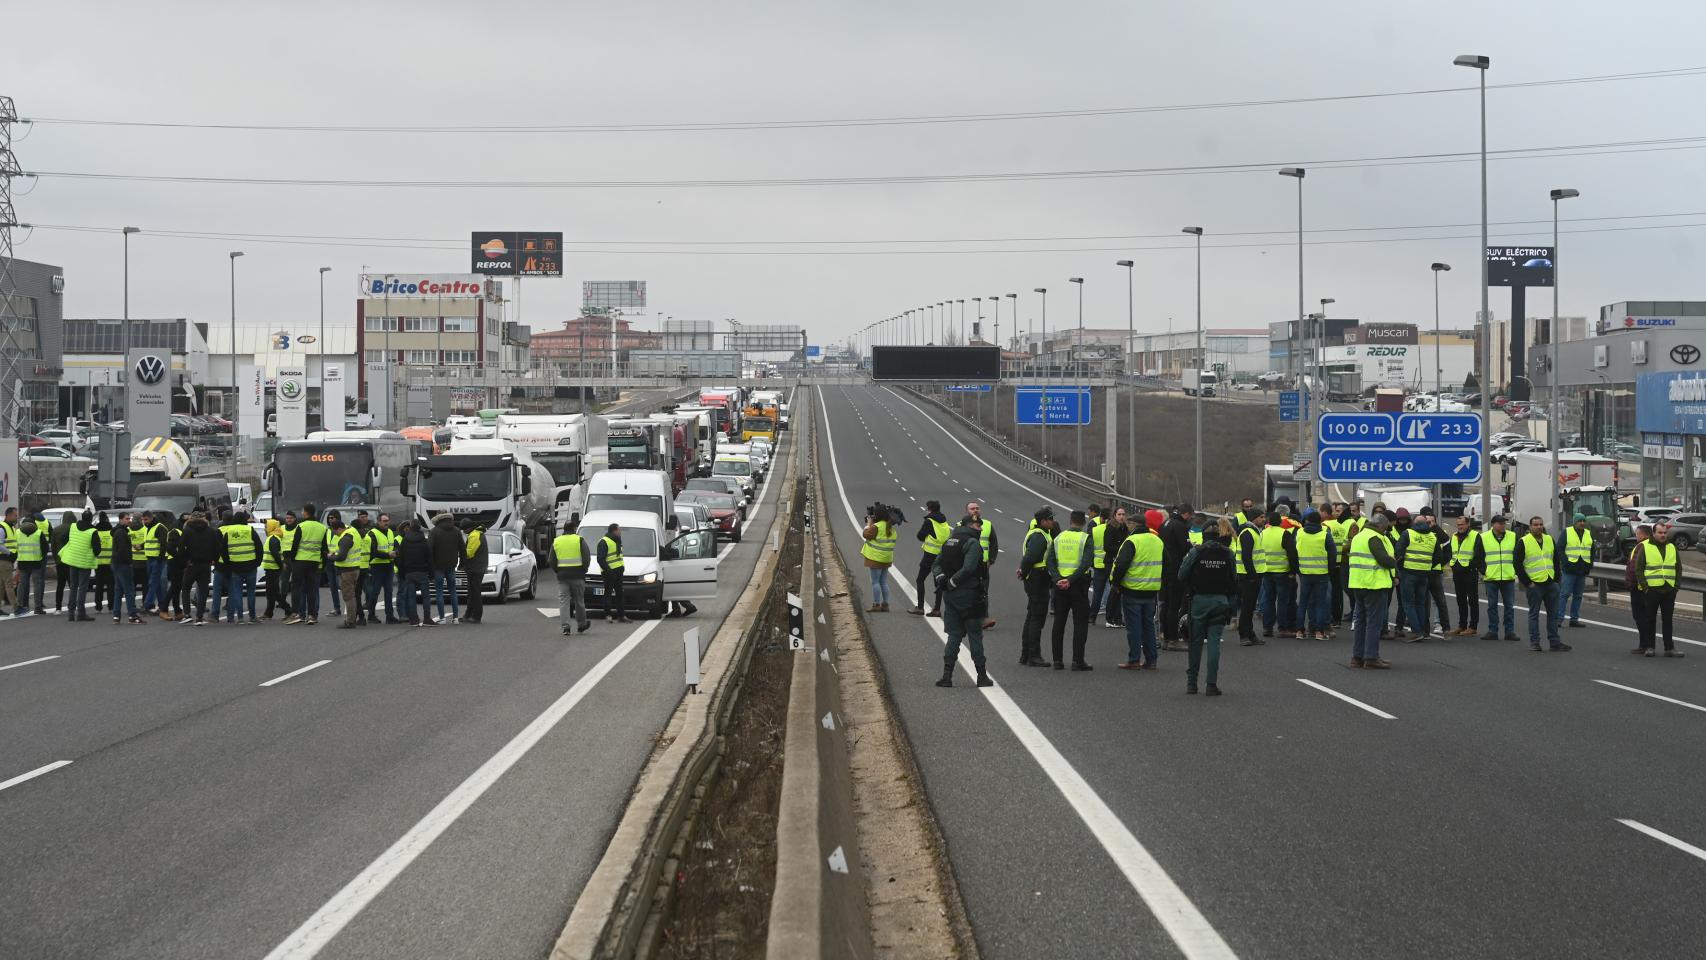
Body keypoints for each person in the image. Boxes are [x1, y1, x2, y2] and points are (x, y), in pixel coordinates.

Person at [933, 516, 993, 689]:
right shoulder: (972, 543)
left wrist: (942, 579)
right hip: (968, 595)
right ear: (969, 526)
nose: (980, 528)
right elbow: (969, 568)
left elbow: (936, 564)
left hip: (949, 596)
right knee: (974, 634)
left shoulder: (950, 541)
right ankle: (981, 676)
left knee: (954, 635)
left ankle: (947, 676)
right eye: (977, 525)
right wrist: (953, 582)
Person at [1180, 518, 1237, 695]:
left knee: (1195, 642)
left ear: (1203, 535)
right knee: (1214, 643)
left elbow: (1182, 575)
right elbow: (1234, 579)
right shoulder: (1228, 553)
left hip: (1199, 601)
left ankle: (1192, 683)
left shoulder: (1196, 552)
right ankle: (1211, 684)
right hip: (1220, 601)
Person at [1109, 512, 1162, 670]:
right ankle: (1151, 660)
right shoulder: (1157, 540)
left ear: (1133, 525)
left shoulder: (1131, 541)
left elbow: (1121, 564)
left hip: (1133, 590)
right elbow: (1167, 562)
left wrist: (1115, 583)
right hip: (1151, 590)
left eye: (1128, 523)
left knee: (1134, 628)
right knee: (1149, 626)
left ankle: (1134, 660)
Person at [1347, 512, 1397, 669]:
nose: (1385, 531)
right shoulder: (1374, 538)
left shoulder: (1359, 537)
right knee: (1373, 623)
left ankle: (1357, 657)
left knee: (1360, 621)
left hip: (1358, 583)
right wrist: (1393, 561)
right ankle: (1371, 657)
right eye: (1385, 528)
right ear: (1381, 526)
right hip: (1373, 584)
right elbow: (1383, 559)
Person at [1046, 510, 1094, 671]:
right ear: (1084, 522)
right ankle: (1077, 661)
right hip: (1078, 585)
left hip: (1060, 586)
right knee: (1080, 624)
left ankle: (1057, 661)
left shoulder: (1059, 537)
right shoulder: (1085, 538)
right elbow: (1086, 563)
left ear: (1070, 521)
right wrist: (1071, 580)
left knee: (1059, 622)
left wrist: (1058, 578)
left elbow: (1050, 561)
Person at [1513, 515, 1569, 653]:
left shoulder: (1549, 539)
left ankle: (1554, 642)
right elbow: (1517, 564)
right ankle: (1535, 642)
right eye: (1535, 525)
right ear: (1530, 527)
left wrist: (1557, 580)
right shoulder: (1524, 542)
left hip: (1550, 583)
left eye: (1540, 524)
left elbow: (1556, 560)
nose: (1538, 527)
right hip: (1535, 584)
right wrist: (1528, 583)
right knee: (1534, 614)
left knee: (1553, 614)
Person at [1630, 524, 1684, 657]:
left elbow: (1678, 568)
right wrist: (1645, 587)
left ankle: (1669, 648)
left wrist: (1675, 587)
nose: (1663, 535)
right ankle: (1650, 647)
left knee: (1668, 620)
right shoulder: (1646, 547)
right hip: (1652, 589)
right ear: (1653, 534)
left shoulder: (1672, 547)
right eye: (1660, 533)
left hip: (1668, 589)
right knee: (1650, 619)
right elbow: (1639, 568)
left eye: (1665, 533)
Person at [1016, 509, 1055, 667]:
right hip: (1038, 578)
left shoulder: (1041, 533)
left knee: (1032, 616)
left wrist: (1024, 572)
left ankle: (1026, 655)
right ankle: (1034, 655)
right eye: (1050, 519)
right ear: (1043, 521)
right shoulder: (1039, 536)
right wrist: (1023, 572)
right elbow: (1031, 557)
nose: (1052, 521)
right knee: (1037, 618)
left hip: (1035, 577)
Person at [1397, 511, 1443, 641]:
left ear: (1414, 523)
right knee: (1420, 603)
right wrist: (1428, 564)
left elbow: (1398, 552)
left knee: (1408, 603)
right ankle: (1421, 630)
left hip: (1409, 572)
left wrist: (1401, 567)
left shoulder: (1408, 533)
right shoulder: (1433, 537)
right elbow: (1438, 556)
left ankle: (1416, 631)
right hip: (1424, 574)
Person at [1293, 510, 1337, 641]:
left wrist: (1298, 569)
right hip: (1321, 574)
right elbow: (1332, 554)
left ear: (1306, 521)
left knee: (1303, 603)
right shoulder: (1325, 534)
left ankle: (1300, 631)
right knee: (1320, 603)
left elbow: (1294, 551)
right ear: (1320, 521)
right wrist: (1330, 569)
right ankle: (1319, 632)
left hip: (1305, 573)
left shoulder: (1299, 533)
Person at [1159, 503, 1195, 652]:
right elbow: (1185, 548)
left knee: (1165, 604)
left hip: (1165, 568)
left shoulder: (1166, 523)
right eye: (1190, 516)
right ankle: (1173, 639)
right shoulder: (1180, 526)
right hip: (1175, 569)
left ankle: (1166, 637)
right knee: (1174, 606)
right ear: (1186, 514)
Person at [1477, 515, 1519, 642]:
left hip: (1508, 577)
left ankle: (1509, 631)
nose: (1503, 526)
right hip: (1491, 577)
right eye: (1500, 523)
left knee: (1509, 606)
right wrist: (1485, 571)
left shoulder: (1512, 536)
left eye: (1504, 523)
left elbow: (1518, 555)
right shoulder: (1484, 537)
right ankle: (1492, 630)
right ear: (1493, 525)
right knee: (1492, 606)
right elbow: (1478, 557)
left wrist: (1515, 570)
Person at [1258, 510, 1298, 639]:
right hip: (1282, 572)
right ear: (1280, 522)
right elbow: (1292, 554)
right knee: (1283, 601)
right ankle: (1283, 628)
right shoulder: (1284, 534)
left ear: (1268, 522)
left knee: (1268, 600)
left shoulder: (1262, 533)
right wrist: (1293, 571)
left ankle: (1267, 628)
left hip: (1266, 571)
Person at [216, 511, 261, 624]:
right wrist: (257, 562)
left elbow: (223, 550)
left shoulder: (229, 531)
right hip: (251, 566)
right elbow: (259, 547)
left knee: (237, 592)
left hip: (235, 567)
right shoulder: (250, 530)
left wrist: (228, 563)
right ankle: (252, 616)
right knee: (251, 592)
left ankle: (240, 617)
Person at [176, 512, 220, 625]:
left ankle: (187, 614)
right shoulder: (210, 531)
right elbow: (216, 548)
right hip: (206, 565)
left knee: (186, 589)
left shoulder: (187, 530)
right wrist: (213, 560)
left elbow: (180, 548)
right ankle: (199, 617)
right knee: (203, 591)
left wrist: (185, 560)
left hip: (192, 564)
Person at [908, 500, 950, 617]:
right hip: (942, 555)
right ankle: (936, 609)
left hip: (930, 555)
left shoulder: (929, 521)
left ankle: (920, 607)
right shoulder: (945, 522)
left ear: (929, 509)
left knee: (920, 579)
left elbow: (920, 536)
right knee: (938, 582)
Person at [553, 517, 592, 635]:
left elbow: (551, 560)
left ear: (564, 530)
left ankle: (566, 627)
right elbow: (586, 557)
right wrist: (583, 570)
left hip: (563, 577)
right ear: (574, 529)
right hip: (577, 576)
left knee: (563, 601)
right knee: (579, 601)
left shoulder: (557, 541)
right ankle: (581, 625)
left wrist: (558, 571)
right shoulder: (579, 540)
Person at [292, 505, 328, 625]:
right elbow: (324, 548)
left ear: (305, 513)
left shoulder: (301, 526)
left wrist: (292, 560)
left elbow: (295, 545)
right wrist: (323, 564)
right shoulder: (322, 528)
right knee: (311, 589)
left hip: (300, 561)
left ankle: (296, 613)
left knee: (296, 587)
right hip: (314, 561)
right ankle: (312, 616)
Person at [1234, 511, 1267, 646]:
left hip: (1254, 574)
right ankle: (1244, 635)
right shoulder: (1248, 533)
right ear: (1254, 518)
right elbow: (1246, 557)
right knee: (1247, 607)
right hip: (1248, 576)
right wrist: (1252, 575)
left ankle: (1250, 633)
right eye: (1261, 517)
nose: (1264, 519)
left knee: (1250, 607)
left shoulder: (1254, 531)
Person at [328, 512, 366, 629]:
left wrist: (331, 557)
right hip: (355, 568)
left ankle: (350, 621)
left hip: (347, 570)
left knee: (348, 597)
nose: (335, 534)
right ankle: (352, 619)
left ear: (339, 529)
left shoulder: (345, 538)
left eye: (335, 532)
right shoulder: (353, 531)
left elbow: (342, 556)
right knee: (352, 595)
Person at [966, 500, 999, 630]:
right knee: (968, 592)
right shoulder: (961, 524)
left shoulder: (988, 525)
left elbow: (994, 544)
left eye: (977, 508)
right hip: (967, 566)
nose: (975, 510)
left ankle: (983, 618)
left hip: (983, 566)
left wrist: (991, 561)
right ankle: (967, 617)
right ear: (967, 512)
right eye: (972, 508)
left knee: (983, 593)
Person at [397, 519, 436, 626]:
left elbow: (400, 559)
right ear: (419, 527)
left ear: (410, 527)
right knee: (426, 597)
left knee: (411, 597)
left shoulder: (405, 540)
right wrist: (432, 574)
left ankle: (413, 619)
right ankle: (427, 619)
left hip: (409, 572)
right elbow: (429, 559)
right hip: (422, 572)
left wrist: (402, 574)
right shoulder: (424, 540)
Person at [1097, 507, 1130, 628]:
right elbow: (1107, 547)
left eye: (1123, 514)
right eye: (1119, 514)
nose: (1122, 516)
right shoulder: (1110, 528)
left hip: (1120, 562)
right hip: (1111, 562)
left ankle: (1118, 618)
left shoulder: (1125, 528)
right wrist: (1122, 550)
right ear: (1115, 516)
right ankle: (1111, 618)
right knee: (1115, 590)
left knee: (1119, 591)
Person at [860, 504, 897, 613]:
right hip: (886, 558)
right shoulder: (890, 527)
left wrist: (868, 524)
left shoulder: (876, 527)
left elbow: (866, 534)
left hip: (875, 558)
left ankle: (876, 604)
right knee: (883, 582)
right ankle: (885, 604)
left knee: (875, 582)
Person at [1449, 516, 1482, 636]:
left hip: (1470, 572)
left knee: (1472, 600)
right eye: (1458, 525)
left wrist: (1469, 566)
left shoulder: (1475, 536)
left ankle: (1473, 626)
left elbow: (1479, 555)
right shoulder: (1454, 536)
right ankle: (1462, 625)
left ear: (1468, 524)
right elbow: (1451, 553)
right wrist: (1453, 566)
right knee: (1460, 600)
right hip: (1457, 573)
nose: (1460, 527)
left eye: (1462, 524)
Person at [1560, 513, 1594, 628]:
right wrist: (1566, 563)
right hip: (1569, 569)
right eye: (1580, 521)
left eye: (1584, 521)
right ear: (1575, 522)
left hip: (1582, 570)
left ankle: (1574, 619)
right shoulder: (1567, 532)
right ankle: (1559, 619)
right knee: (1564, 594)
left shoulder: (1588, 533)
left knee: (1578, 596)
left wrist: (1589, 564)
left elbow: (1592, 550)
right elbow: (1560, 549)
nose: (1582, 523)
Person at [366, 513, 401, 624]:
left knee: (389, 592)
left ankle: (389, 616)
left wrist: (395, 552)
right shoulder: (372, 533)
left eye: (387, 520)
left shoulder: (390, 532)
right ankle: (371, 615)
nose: (386, 523)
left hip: (388, 565)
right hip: (377, 566)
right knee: (375, 592)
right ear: (378, 521)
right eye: (384, 521)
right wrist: (388, 555)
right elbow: (373, 551)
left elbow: (393, 546)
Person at [429, 513, 463, 623]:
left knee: (439, 591)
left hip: (438, 566)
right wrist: (461, 563)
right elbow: (463, 548)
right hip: (452, 565)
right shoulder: (456, 531)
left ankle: (442, 618)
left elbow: (429, 549)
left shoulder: (434, 531)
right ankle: (456, 618)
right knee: (453, 591)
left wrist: (431, 565)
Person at [107, 511, 141, 624]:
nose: (129, 520)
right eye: (127, 519)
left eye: (129, 518)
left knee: (118, 590)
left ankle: (116, 616)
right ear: (120, 519)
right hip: (123, 564)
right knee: (129, 590)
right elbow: (122, 550)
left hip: (116, 563)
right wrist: (129, 562)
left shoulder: (118, 531)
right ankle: (132, 615)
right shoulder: (121, 532)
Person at [597, 522, 631, 623]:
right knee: (608, 594)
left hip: (619, 572)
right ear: (614, 531)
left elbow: (618, 556)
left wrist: (622, 567)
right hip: (609, 573)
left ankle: (621, 616)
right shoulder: (603, 542)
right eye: (619, 530)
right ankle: (608, 615)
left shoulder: (618, 540)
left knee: (620, 594)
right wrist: (609, 571)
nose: (620, 532)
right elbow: (600, 559)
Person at [13, 515, 47, 616]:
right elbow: (45, 548)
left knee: (21, 585)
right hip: (36, 562)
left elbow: (15, 546)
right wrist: (40, 555)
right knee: (37, 585)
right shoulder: (38, 532)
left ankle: (20, 605)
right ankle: (38, 607)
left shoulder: (17, 532)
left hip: (22, 562)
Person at [1626, 524, 1653, 646]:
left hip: (1639, 586)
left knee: (1639, 616)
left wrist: (1631, 583)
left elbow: (1634, 568)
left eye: (1638, 533)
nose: (1636, 535)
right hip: (1650, 585)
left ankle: (1645, 644)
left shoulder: (1642, 546)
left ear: (1645, 535)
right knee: (1646, 616)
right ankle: (1646, 644)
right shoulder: (1653, 545)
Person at [261, 518, 293, 620]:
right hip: (271, 568)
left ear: (271, 527)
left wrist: (281, 565)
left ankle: (288, 610)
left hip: (273, 569)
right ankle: (268, 612)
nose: (265, 529)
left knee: (274, 592)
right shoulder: (273, 537)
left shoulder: (273, 538)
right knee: (270, 592)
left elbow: (275, 553)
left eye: (266, 527)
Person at [140, 510, 170, 614]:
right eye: (143, 520)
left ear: (151, 518)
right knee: (156, 584)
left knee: (152, 582)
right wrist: (141, 546)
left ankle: (147, 605)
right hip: (150, 558)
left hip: (158, 559)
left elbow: (163, 545)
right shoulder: (148, 528)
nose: (144, 522)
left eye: (146, 519)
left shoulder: (159, 528)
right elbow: (149, 541)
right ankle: (162, 605)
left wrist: (160, 559)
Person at [460, 519, 488, 624]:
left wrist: (460, 553)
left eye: (463, 529)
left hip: (475, 568)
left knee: (475, 593)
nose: (463, 531)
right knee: (472, 592)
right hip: (477, 567)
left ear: (469, 528)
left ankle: (476, 616)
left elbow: (470, 553)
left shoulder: (474, 535)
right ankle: (468, 615)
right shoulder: (477, 533)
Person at [91, 512, 115, 613]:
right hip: (110, 562)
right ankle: (111, 606)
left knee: (99, 586)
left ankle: (98, 607)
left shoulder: (95, 532)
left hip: (98, 562)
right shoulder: (112, 532)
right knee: (111, 586)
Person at [0, 506, 17, 616]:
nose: (17, 517)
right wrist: (10, 553)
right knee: (9, 584)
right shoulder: (2, 528)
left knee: (1, 585)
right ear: (9, 515)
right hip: (4, 560)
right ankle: (17, 607)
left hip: (8, 560)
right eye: (15, 515)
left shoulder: (12, 528)